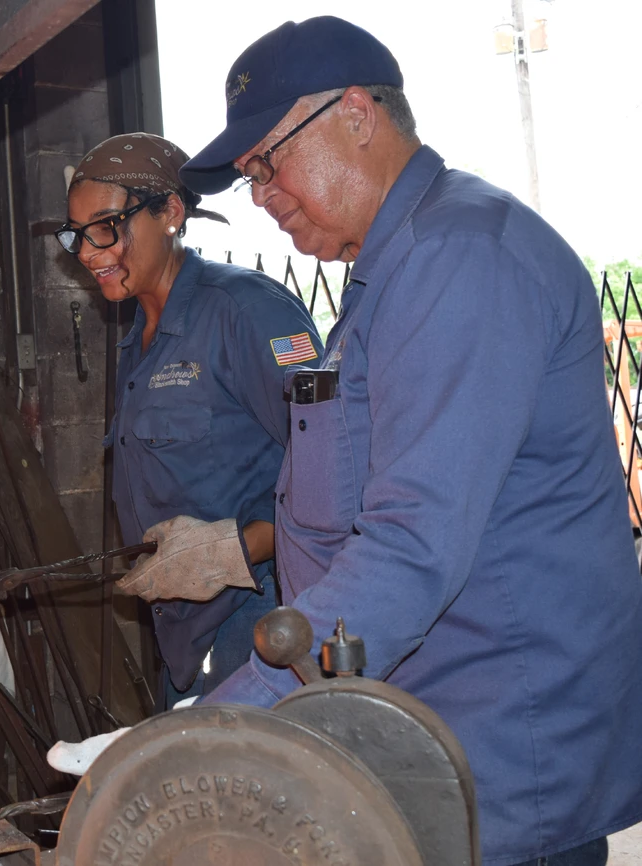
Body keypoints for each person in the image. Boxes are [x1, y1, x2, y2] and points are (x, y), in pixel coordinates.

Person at [154, 16, 642, 866]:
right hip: (429, 745)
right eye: (246, 178)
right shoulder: (392, 270)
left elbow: (413, 547)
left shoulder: (459, 258)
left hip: (497, 764)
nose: (262, 196)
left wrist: (234, 724)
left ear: (355, 112)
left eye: (268, 162)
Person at [54, 133, 323, 707]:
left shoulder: (246, 315)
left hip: (263, 623)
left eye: (106, 226)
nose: (87, 250)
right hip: (184, 636)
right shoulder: (137, 343)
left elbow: (342, 486)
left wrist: (234, 549)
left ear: (170, 213)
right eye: (77, 234)